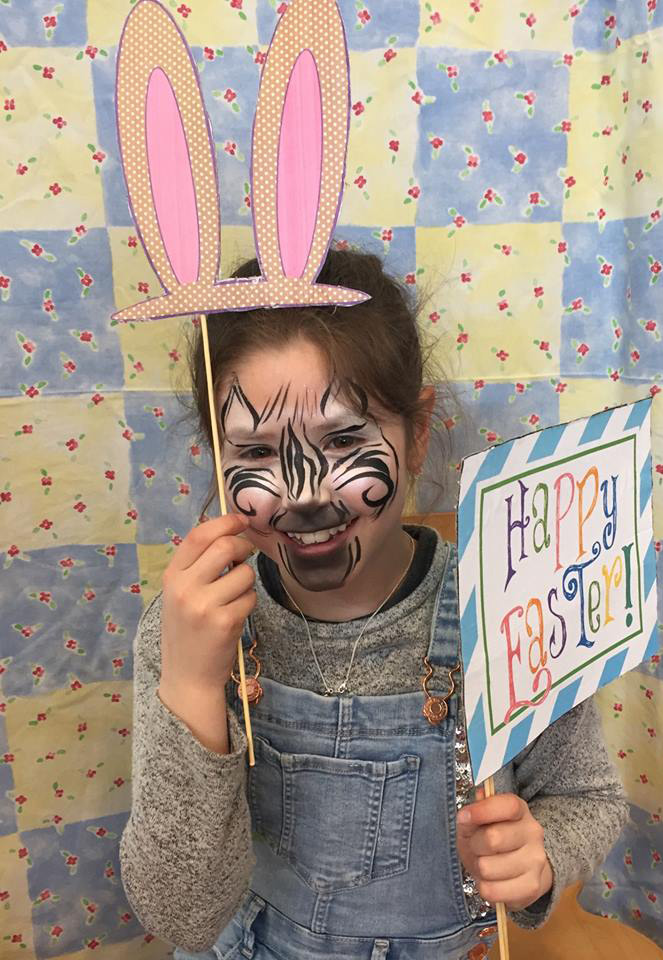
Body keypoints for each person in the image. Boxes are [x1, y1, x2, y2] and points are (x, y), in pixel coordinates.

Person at [119, 247, 630, 960]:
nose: (304, 495)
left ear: (417, 433)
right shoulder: (188, 633)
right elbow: (180, 915)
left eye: (345, 438)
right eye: (257, 453)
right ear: (216, 455)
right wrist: (193, 686)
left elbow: (588, 799)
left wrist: (539, 855)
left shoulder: (510, 606)